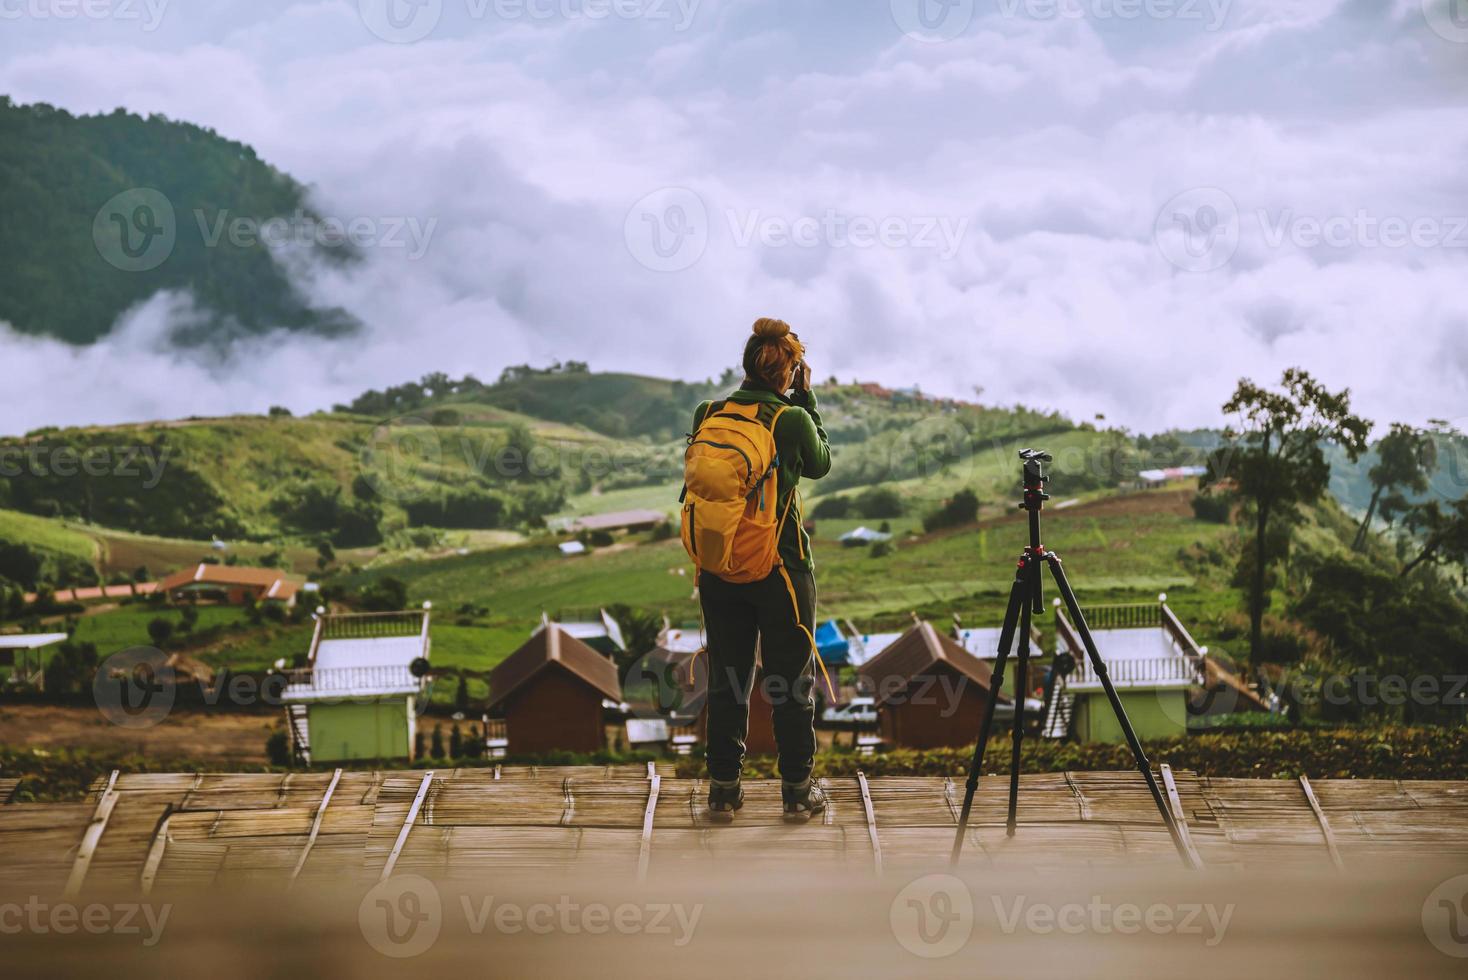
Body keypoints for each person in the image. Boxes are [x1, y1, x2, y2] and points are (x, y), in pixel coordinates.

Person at [692, 317, 832, 819]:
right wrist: (805, 399)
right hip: (780, 567)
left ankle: (723, 791)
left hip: (719, 564)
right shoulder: (790, 419)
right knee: (790, 682)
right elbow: (820, 464)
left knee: (727, 678)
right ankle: (797, 792)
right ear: (789, 371)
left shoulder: (709, 412)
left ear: (747, 363)